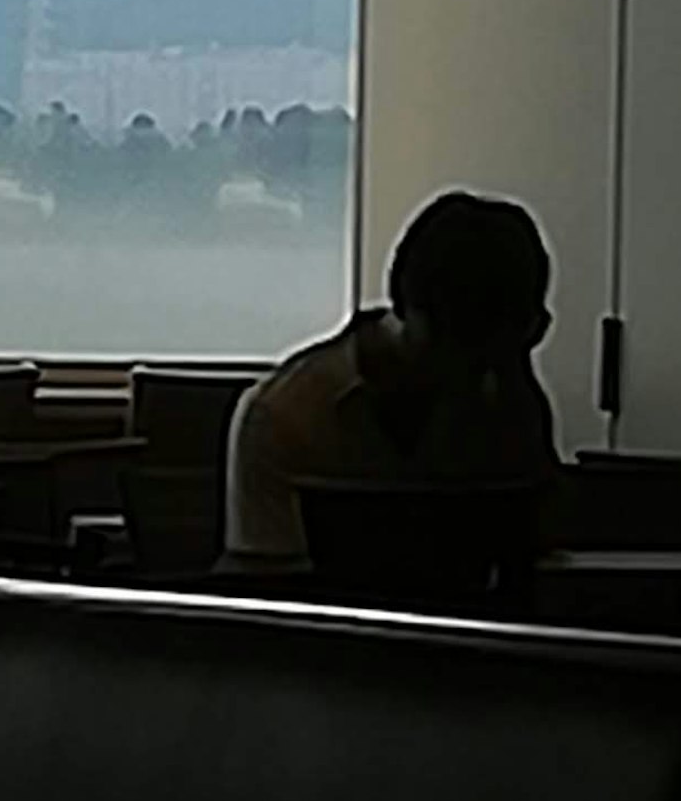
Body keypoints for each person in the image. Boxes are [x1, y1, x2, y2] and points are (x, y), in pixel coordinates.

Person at [224, 190, 560, 572]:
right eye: (464, 343)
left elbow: (541, 547)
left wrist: (520, 393)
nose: (472, 369)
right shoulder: (286, 415)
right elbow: (264, 588)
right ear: (409, 311)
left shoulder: (500, 394)